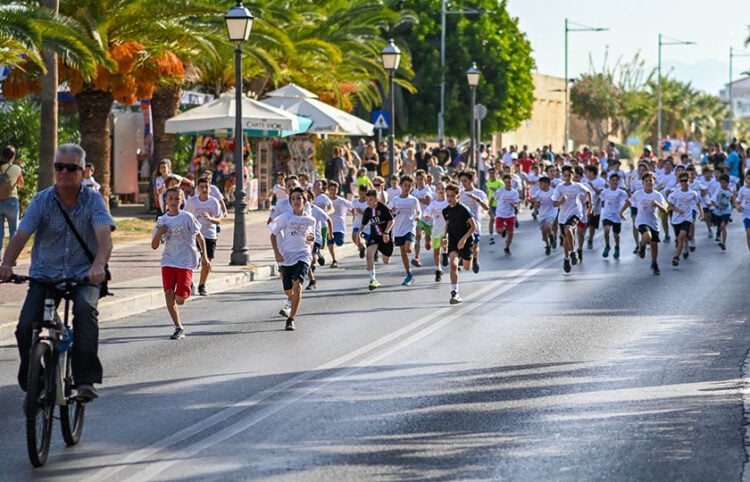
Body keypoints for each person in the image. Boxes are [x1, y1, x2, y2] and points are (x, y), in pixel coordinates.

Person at [0, 143, 113, 401]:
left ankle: (85, 380)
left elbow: (104, 238)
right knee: (25, 326)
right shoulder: (42, 200)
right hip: (44, 275)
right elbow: (20, 236)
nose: (64, 172)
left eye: (71, 168)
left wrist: (98, 266)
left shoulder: (93, 201)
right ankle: (34, 376)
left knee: (85, 311)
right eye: (59, 167)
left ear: (83, 171)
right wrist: (7, 264)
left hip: (84, 275)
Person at [152, 186, 209, 339]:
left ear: (182, 200)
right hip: (168, 260)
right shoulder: (162, 220)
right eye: (170, 198)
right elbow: (154, 245)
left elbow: (199, 237)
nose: (173, 201)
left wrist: (205, 256)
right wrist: (159, 232)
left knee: (180, 300)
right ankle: (178, 327)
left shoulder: (187, 217)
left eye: (177, 198)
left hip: (185, 261)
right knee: (168, 293)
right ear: (166, 200)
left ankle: (187, 285)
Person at [269, 187, 317, 331]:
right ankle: (290, 300)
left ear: (305, 201)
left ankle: (291, 319)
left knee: (298, 286)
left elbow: (311, 238)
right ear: (290, 202)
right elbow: (273, 234)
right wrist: (277, 253)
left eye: (299, 198)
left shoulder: (310, 220)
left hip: (303, 254)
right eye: (293, 199)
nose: (296, 201)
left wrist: (311, 240)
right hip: (287, 255)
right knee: (288, 290)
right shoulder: (286, 217)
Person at [620, 172, 667, 275]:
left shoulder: (657, 195)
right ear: (643, 183)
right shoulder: (638, 194)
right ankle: (642, 244)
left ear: (654, 182)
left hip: (653, 222)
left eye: (651, 180)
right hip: (641, 220)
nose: (649, 182)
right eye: (646, 181)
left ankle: (654, 264)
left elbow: (665, 210)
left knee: (654, 245)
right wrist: (621, 212)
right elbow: (629, 201)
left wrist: (657, 204)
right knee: (647, 236)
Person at [185, 177, 222, 296]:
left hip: (209, 234)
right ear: (198, 189)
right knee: (191, 260)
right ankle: (189, 282)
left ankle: (202, 285)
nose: (204, 189)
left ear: (210, 188)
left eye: (206, 187)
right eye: (202, 187)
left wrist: (210, 219)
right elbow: (186, 215)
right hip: (194, 234)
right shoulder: (192, 201)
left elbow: (219, 220)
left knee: (207, 262)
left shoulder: (213, 202)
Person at [552, 165, 592, 273]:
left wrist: (590, 207)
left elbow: (588, 192)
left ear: (572, 175)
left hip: (575, 213)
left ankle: (573, 252)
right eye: (565, 175)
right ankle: (566, 258)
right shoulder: (559, 187)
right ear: (562, 176)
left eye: (569, 175)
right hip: (563, 216)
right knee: (565, 239)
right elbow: (554, 203)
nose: (567, 177)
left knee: (568, 229)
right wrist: (561, 201)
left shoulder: (578, 186)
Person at [441, 183, 476, 304]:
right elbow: (447, 225)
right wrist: (444, 237)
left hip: (466, 240)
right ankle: (455, 292)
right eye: (447, 196)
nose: (449, 198)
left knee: (467, 267)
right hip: (453, 240)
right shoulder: (445, 211)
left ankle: (472, 258)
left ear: (458, 196)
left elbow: (473, 227)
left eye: (452, 196)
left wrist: (464, 239)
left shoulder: (463, 209)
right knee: (453, 264)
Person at [356, 189, 394, 290]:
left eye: (371, 200)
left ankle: (383, 252)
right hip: (374, 237)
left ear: (376, 200)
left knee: (386, 261)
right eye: (367, 200)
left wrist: (386, 232)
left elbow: (391, 220)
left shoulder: (383, 208)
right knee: (369, 255)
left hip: (385, 236)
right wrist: (358, 234)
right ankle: (373, 279)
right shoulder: (368, 211)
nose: (368, 202)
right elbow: (363, 224)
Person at [388, 174, 421, 286]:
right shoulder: (395, 200)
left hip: (409, 227)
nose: (407, 187)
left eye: (409, 186)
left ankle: (414, 243)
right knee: (404, 252)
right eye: (405, 185)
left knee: (408, 249)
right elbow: (389, 211)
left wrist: (418, 217)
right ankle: (409, 274)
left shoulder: (413, 200)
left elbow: (419, 211)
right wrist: (391, 211)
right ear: (400, 186)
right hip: (398, 229)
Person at [667, 172, 703, 265]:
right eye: (682, 181)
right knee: (680, 239)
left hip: (687, 218)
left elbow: (698, 203)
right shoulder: (675, 193)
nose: (684, 182)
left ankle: (676, 257)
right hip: (676, 219)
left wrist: (701, 214)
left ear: (689, 180)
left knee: (681, 236)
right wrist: (677, 210)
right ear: (679, 182)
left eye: (686, 180)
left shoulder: (693, 193)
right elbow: (670, 205)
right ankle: (686, 248)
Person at [458, 170, 488, 273]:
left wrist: (477, 199)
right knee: (461, 241)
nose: (463, 183)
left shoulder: (479, 193)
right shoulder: (460, 193)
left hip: (475, 224)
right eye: (461, 181)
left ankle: (475, 259)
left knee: (475, 246)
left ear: (472, 180)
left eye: (465, 180)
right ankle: (462, 256)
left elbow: (486, 208)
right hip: (462, 224)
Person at [0, 145, 23, 262]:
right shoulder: (16, 168)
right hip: (11, 201)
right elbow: (20, 184)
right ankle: (11, 259)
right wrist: (18, 168)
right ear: (12, 156)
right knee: (13, 230)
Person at [422, 182, 449, 282]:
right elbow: (427, 211)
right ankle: (438, 269)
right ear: (436, 191)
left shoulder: (448, 202)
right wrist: (427, 216)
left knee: (445, 240)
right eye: (439, 188)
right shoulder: (433, 203)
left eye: (443, 188)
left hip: (446, 229)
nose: (441, 190)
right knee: (436, 250)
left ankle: (445, 253)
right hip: (436, 229)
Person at [600, 173, 629, 259]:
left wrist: (622, 212)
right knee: (606, 230)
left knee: (616, 234)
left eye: (616, 180)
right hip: (607, 214)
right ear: (609, 182)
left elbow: (629, 200)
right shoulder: (605, 191)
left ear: (618, 182)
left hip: (616, 216)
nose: (614, 182)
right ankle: (607, 246)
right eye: (612, 180)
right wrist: (593, 209)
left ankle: (617, 247)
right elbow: (599, 198)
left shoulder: (621, 192)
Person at [325, 180, 352, 268]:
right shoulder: (326, 200)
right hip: (329, 226)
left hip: (340, 226)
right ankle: (334, 260)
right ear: (328, 190)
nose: (333, 191)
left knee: (339, 242)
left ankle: (334, 258)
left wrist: (354, 215)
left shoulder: (342, 201)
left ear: (337, 190)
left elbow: (352, 207)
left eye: (335, 190)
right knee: (330, 243)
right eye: (331, 189)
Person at [493, 174, 520, 255]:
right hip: (500, 214)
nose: (508, 184)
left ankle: (507, 247)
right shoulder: (500, 191)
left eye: (510, 182)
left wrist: (514, 205)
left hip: (510, 215)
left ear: (512, 182)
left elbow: (517, 204)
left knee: (511, 234)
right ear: (504, 183)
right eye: (507, 182)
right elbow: (492, 198)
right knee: (499, 231)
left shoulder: (514, 192)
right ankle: (503, 229)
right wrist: (490, 210)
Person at [710, 174, 736, 251]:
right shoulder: (718, 190)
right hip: (717, 211)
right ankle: (718, 232)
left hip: (726, 211)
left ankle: (723, 243)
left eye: (724, 182)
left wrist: (734, 204)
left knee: (723, 226)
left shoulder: (731, 190)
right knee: (719, 226)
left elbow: (733, 198)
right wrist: (717, 206)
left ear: (728, 183)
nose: (723, 184)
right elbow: (712, 201)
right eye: (721, 183)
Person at [734, 170, 750, 254]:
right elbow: (738, 201)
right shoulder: (742, 189)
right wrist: (738, 207)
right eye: (748, 178)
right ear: (745, 179)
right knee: (749, 232)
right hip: (747, 214)